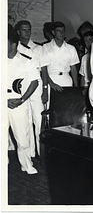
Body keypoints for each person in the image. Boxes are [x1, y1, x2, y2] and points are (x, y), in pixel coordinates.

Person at [7, 24, 39, 174]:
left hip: (19, 102)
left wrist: (22, 99)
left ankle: (27, 165)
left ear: (13, 44)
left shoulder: (27, 60)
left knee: (23, 137)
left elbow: (34, 82)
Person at [15, 20, 46, 157]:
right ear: (18, 32)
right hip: (22, 87)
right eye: (24, 30)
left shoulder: (39, 48)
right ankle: (29, 155)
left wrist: (45, 90)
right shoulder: (14, 48)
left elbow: (44, 70)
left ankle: (41, 154)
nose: (27, 32)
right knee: (25, 122)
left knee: (39, 121)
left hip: (37, 86)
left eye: (29, 29)